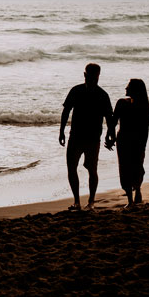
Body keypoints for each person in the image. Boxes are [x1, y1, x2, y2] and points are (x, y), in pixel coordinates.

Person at [59, 63, 115, 211]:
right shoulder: (76, 91)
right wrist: (61, 131)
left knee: (91, 168)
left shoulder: (103, 94)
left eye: (96, 78)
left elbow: (109, 117)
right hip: (75, 135)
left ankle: (91, 202)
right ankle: (77, 201)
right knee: (72, 167)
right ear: (85, 75)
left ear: (98, 76)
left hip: (93, 137)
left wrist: (111, 134)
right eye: (91, 77)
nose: (93, 80)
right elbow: (66, 111)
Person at [112, 79, 149, 207]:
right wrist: (110, 136)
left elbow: (113, 123)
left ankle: (134, 194)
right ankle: (132, 197)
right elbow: (113, 122)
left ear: (135, 90)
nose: (125, 88)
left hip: (130, 140)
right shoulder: (142, 106)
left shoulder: (140, 106)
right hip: (130, 140)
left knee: (130, 168)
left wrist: (110, 136)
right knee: (131, 167)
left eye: (128, 87)